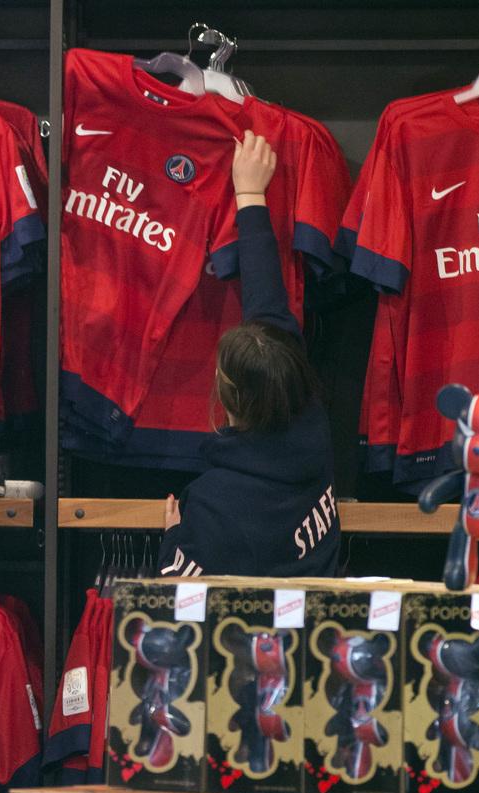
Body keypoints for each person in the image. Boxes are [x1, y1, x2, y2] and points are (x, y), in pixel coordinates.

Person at [157, 130, 340, 579]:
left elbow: (176, 605)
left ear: (229, 396)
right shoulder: (308, 423)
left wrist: (176, 539)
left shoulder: (219, 502)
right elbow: (267, 298)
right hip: (319, 636)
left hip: (258, 648)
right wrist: (250, 194)